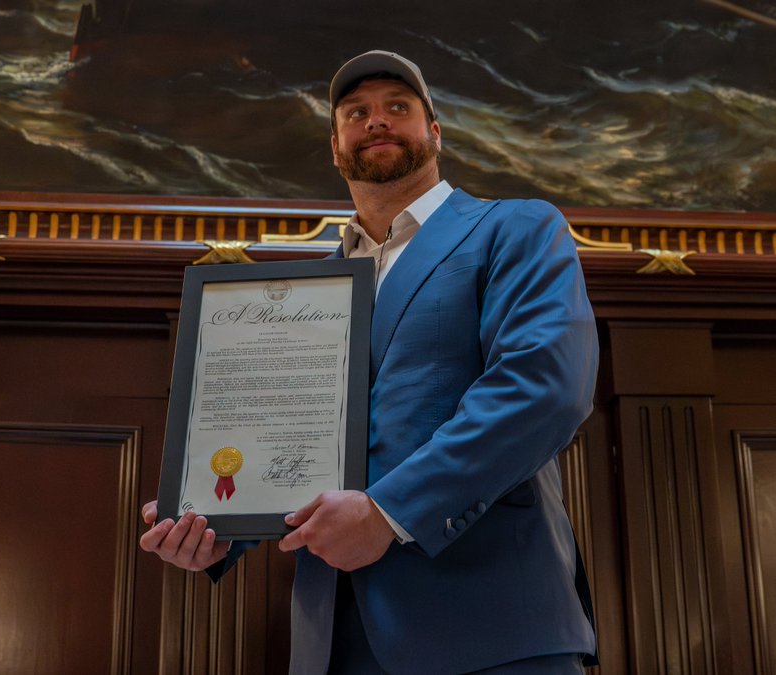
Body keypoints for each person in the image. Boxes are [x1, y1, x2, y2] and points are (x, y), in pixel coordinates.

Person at [140, 50, 599, 674]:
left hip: (493, 625)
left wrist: (391, 512)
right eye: (356, 113)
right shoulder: (309, 293)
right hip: (333, 636)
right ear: (335, 146)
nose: (376, 121)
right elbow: (288, 442)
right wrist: (213, 525)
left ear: (434, 132)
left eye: (398, 108)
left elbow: (545, 388)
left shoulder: (513, 228)